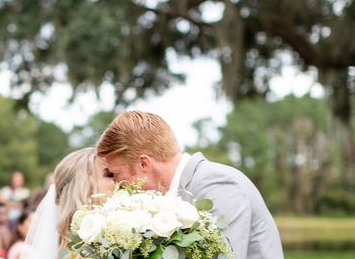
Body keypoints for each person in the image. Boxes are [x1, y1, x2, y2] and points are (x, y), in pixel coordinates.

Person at [97, 110, 284, 259]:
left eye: (115, 175)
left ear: (144, 163)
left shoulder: (217, 185)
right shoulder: (178, 193)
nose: (117, 186)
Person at [22, 147, 114, 258]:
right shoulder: (76, 252)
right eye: (109, 174)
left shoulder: (118, 234)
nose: (119, 180)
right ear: (85, 188)